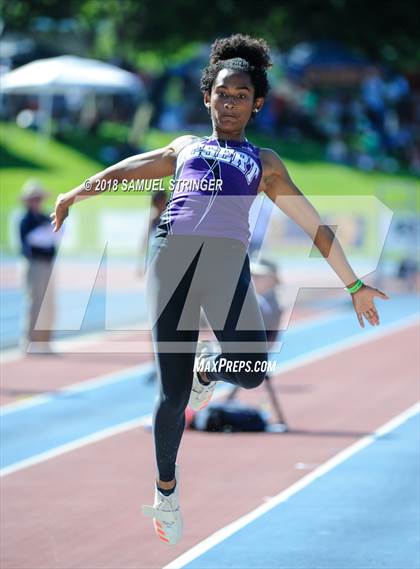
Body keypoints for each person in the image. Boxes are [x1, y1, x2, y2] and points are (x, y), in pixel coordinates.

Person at [50, 34, 390, 546]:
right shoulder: (186, 147)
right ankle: (166, 490)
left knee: (251, 372)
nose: (229, 103)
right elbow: (132, 170)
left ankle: (210, 367)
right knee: (172, 393)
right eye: (222, 93)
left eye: (241, 96)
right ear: (207, 96)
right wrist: (78, 191)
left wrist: (355, 284)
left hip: (227, 263)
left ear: (256, 105)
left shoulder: (266, 163)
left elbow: (315, 226)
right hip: (173, 255)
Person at [19, 179, 58, 355]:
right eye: (34, 198)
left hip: (48, 264)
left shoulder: (44, 217)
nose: (37, 201)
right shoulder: (25, 220)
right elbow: (32, 241)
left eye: (38, 198)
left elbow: (55, 236)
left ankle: (45, 342)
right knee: (35, 303)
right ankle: (31, 342)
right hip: (34, 265)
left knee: (49, 304)